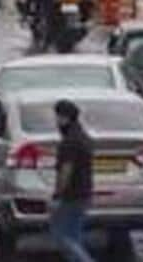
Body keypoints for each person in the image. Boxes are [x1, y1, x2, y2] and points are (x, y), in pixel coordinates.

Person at [49, 98, 97, 262]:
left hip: (72, 195)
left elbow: (66, 171)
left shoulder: (69, 142)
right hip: (85, 192)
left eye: (57, 117)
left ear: (64, 117)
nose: (55, 121)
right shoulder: (83, 136)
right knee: (74, 236)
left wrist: (57, 195)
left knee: (61, 236)